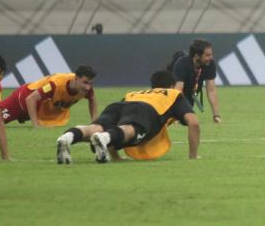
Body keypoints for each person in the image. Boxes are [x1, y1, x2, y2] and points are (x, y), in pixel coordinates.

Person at [55, 70, 200, 164]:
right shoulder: (173, 94)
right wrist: (193, 156)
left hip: (119, 104)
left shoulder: (136, 93)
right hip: (146, 110)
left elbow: (117, 122)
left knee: (96, 128)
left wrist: (116, 157)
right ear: (171, 85)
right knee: (131, 129)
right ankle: (104, 138)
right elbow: (193, 123)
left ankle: (67, 137)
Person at [0, 66, 98, 128]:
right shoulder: (55, 84)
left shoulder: (87, 88)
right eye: (85, 82)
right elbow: (30, 99)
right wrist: (36, 126)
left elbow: (92, 99)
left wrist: (94, 123)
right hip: (22, 100)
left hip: (38, 110)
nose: (88, 87)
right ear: (76, 78)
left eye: (91, 83)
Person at [170, 38, 222, 122]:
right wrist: (176, 115)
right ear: (197, 56)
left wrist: (216, 115)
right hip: (173, 90)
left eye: (211, 54)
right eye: (207, 55)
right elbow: (178, 91)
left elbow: (211, 91)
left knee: (187, 116)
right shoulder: (182, 64)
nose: (211, 57)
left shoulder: (210, 64)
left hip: (190, 90)